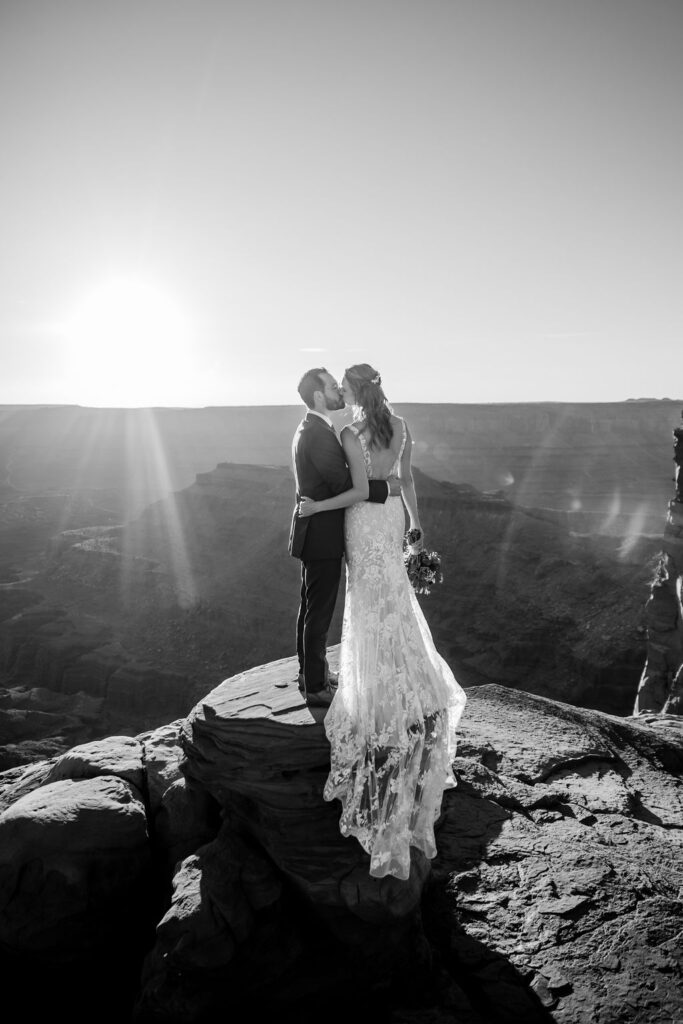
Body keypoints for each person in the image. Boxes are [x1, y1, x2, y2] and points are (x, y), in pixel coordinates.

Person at [297, 363, 467, 880]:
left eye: (344, 389)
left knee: (368, 603)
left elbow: (357, 490)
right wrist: (416, 526)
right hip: (393, 519)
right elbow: (403, 480)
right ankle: (414, 681)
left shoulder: (351, 433)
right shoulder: (401, 425)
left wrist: (315, 506)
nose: (340, 394)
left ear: (355, 392)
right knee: (393, 598)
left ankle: (373, 688)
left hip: (362, 521)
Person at [288, 367, 402, 708]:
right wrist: (385, 488)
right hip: (322, 534)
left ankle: (309, 673)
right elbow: (344, 484)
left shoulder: (313, 428)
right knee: (318, 612)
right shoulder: (320, 434)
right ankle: (317, 685)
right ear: (320, 396)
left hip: (315, 531)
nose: (339, 391)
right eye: (333, 387)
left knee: (310, 606)